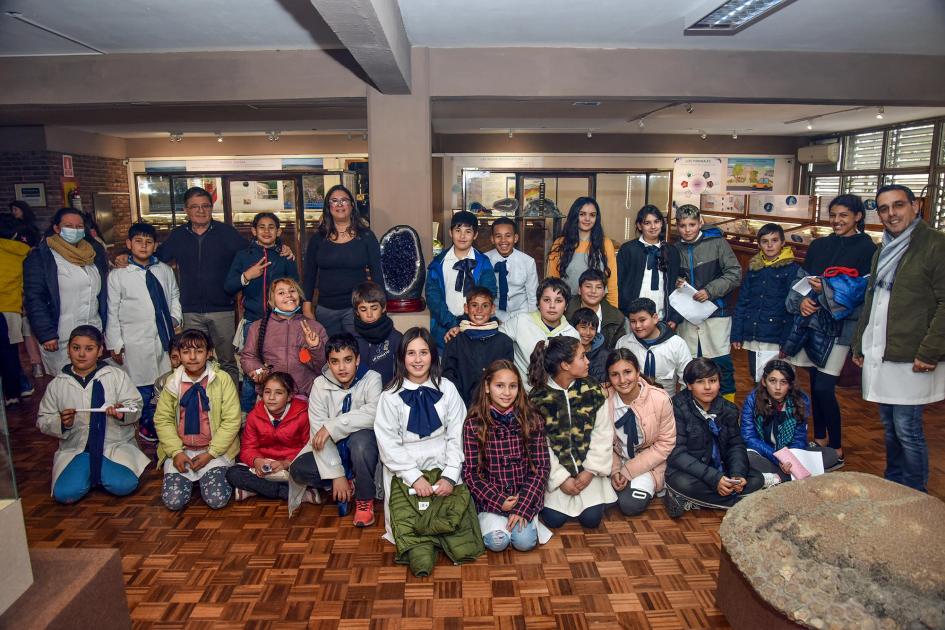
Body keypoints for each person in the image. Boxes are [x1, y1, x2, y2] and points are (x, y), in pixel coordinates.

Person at [853, 184, 945, 493]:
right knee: (890, 428)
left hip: (912, 354)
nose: (891, 213)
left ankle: (915, 494)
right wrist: (859, 343)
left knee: (908, 430)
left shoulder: (934, 244)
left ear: (915, 206)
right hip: (881, 350)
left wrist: (930, 351)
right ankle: (893, 486)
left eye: (898, 205)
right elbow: (872, 298)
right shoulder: (884, 248)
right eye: (884, 208)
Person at [374, 328, 481, 576]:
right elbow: (388, 443)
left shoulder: (448, 389)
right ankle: (419, 545)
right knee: (412, 530)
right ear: (402, 358)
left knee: (454, 525)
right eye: (411, 353)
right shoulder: (389, 397)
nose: (418, 359)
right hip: (404, 467)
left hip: (444, 461)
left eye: (423, 352)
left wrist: (451, 474)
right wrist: (414, 476)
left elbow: (458, 434)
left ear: (433, 355)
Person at [788, 195, 876, 465]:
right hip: (812, 323)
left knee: (826, 386)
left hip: (840, 328)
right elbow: (802, 280)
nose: (837, 221)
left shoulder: (867, 248)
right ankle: (821, 438)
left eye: (844, 216)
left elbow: (860, 293)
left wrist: (825, 289)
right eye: (834, 215)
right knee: (814, 383)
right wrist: (801, 301)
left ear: (858, 217)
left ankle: (837, 447)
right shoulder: (819, 245)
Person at [143, 187, 253, 385]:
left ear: (211, 208)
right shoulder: (178, 236)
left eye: (205, 206)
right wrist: (127, 257)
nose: (200, 211)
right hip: (190, 310)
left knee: (227, 361)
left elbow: (252, 252)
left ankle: (230, 406)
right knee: (194, 361)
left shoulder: (226, 233)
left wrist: (280, 247)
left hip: (222, 309)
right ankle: (199, 402)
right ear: (186, 210)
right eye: (195, 207)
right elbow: (155, 257)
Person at [36, 325, 147, 504]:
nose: (81, 354)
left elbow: (136, 407)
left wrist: (121, 413)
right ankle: (89, 472)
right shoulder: (58, 384)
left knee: (124, 485)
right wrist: (62, 423)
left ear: (99, 351)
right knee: (65, 494)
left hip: (112, 446)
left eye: (89, 349)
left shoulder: (116, 376)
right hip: (77, 450)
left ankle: (98, 473)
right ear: (68, 350)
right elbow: (43, 419)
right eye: (76, 348)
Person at [527, 336, 616, 529]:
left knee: (591, 520)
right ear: (565, 365)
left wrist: (590, 471)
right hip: (556, 474)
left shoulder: (592, 389)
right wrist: (560, 478)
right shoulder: (538, 398)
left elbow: (603, 433)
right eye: (582, 357)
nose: (588, 361)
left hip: (588, 472)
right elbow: (539, 445)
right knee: (554, 520)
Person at [463, 360, 550, 552]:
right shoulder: (473, 424)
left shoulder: (532, 420)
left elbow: (541, 468)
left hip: (523, 496)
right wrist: (498, 500)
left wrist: (522, 505)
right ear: (487, 387)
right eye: (499, 386)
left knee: (524, 542)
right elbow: (471, 474)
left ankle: (524, 519)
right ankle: (492, 523)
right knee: (497, 543)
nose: (507, 393)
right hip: (491, 500)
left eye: (513, 386)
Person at [105, 222, 181, 442]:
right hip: (134, 338)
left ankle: (165, 423)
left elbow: (174, 295)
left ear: (155, 246)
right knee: (142, 386)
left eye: (149, 242)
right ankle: (147, 425)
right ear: (129, 244)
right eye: (138, 241)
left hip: (163, 335)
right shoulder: (118, 275)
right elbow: (112, 309)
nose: (143, 246)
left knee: (165, 381)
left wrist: (175, 318)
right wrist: (115, 342)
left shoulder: (164, 270)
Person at [663, 358, 763, 518]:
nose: (708, 387)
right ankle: (739, 503)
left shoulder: (728, 409)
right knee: (681, 483)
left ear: (719, 383)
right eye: (700, 382)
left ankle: (695, 501)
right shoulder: (677, 408)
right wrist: (714, 479)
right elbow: (677, 454)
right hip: (692, 470)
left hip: (719, 467)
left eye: (713, 381)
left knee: (757, 479)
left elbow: (735, 445)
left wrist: (738, 474)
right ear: (689, 385)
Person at [301, 333, 383, 526]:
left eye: (348, 360)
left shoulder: (372, 378)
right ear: (328, 363)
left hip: (362, 447)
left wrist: (332, 426)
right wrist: (337, 475)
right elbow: (317, 431)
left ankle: (364, 499)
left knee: (361, 443)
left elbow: (374, 413)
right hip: (334, 449)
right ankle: (345, 482)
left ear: (357, 359)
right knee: (300, 468)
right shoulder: (320, 385)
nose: (342, 367)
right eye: (335, 362)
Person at [154, 329, 241, 511]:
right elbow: (163, 420)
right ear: (179, 354)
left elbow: (231, 420)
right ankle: (189, 477)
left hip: (214, 451)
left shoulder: (222, 380)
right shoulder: (172, 383)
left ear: (209, 353)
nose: (192, 357)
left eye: (199, 351)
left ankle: (207, 476)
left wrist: (211, 453)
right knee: (173, 502)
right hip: (181, 450)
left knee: (216, 500)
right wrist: (176, 452)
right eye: (186, 352)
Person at [224, 212, 299, 411]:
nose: (266, 231)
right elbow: (229, 286)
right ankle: (249, 416)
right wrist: (247, 275)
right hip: (253, 322)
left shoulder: (285, 256)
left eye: (271, 227)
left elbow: (296, 288)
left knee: (279, 367)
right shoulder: (243, 256)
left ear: (279, 231)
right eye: (262, 227)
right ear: (254, 231)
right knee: (253, 372)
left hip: (280, 323)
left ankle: (282, 412)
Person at [24, 207, 109, 377]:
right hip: (60, 336)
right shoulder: (42, 257)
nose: (75, 230)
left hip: (92, 331)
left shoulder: (92, 253)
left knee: (92, 384)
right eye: (69, 226)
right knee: (65, 386)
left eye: (79, 226)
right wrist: (46, 334)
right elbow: (34, 299)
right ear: (56, 228)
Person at [674, 204, 741, 402]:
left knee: (722, 367)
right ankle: (692, 413)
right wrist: (676, 281)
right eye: (683, 225)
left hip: (716, 315)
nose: (687, 230)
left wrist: (710, 291)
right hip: (688, 318)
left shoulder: (718, 243)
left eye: (692, 224)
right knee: (690, 367)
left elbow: (735, 273)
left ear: (700, 222)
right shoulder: (675, 249)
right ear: (677, 226)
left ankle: (727, 415)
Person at [741, 359, 839, 485]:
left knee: (831, 454)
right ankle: (787, 476)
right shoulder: (752, 400)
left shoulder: (800, 401)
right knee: (747, 458)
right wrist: (778, 459)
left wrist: (789, 460)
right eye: (772, 381)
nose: (778, 387)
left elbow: (799, 439)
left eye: (783, 382)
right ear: (764, 382)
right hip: (764, 452)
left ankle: (776, 478)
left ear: (790, 384)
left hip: (789, 454)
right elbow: (748, 438)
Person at [302, 184, 383, 337]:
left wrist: (380, 306)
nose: (339, 205)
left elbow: (377, 273)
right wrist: (307, 308)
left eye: (344, 200)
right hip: (325, 310)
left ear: (352, 205)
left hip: (357, 309)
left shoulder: (366, 237)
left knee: (357, 353)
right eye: (334, 201)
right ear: (328, 207)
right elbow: (309, 276)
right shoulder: (317, 239)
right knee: (330, 355)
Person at [604, 349, 676, 516]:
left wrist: (628, 471)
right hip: (615, 458)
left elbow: (666, 443)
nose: (622, 380)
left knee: (630, 505)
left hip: (648, 463)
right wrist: (615, 470)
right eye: (615, 374)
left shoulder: (660, 399)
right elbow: (604, 442)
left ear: (637, 372)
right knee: (601, 505)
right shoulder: (605, 399)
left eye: (627, 372)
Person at [226, 372, 309, 502]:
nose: (271, 397)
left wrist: (286, 463)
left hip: (291, 466)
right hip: (264, 468)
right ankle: (288, 493)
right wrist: (256, 461)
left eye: (278, 393)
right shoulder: (254, 416)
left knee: (313, 472)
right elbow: (247, 448)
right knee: (233, 473)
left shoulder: (302, 415)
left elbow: (308, 447)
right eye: (267, 392)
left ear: (289, 396)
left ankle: (256, 489)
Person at [240, 278, 328, 400]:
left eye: (292, 291)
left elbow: (324, 368)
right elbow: (248, 356)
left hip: (308, 396)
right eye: (281, 293)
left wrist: (315, 347)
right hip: (272, 396)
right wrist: (258, 370)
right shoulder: (257, 327)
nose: (288, 295)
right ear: (272, 301)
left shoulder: (315, 327)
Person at [732, 223, 800, 379]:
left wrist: (787, 341)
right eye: (765, 241)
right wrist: (737, 334)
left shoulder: (792, 270)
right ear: (759, 244)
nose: (770, 245)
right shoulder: (754, 268)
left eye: (774, 240)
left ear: (783, 242)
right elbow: (742, 301)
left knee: (778, 380)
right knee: (757, 377)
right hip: (753, 334)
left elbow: (793, 309)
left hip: (776, 336)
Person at [426, 210, 497, 351]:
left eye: (468, 231)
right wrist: (452, 324)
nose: (462, 236)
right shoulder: (438, 264)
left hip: (476, 327)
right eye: (458, 230)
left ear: (475, 235)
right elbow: (433, 297)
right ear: (450, 232)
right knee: (446, 369)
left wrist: (467, 324)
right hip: (444, 329)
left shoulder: (483, 263)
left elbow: (489, 293)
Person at [500, 277, 581, 390]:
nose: (552, 306)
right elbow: (495, 344)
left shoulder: (572, 335)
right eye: (546, 300)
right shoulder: (521, 321)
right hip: (522, 396)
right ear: (538, 303)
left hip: (556, 398)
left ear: (566, 305)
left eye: (558, 301)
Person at [441, 286, 514, 406]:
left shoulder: (504, 342)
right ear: (466, 308)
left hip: (495, 407)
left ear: (492, 309)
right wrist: (460, 405)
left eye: (485, 306)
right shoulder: (455, 340)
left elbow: (506, 379)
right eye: (474, 305)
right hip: (461, 406)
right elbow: (448, 378)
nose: (479, 310)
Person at [547, 197, 619, 307]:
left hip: (598, 309)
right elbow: (552, 283)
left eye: (592, 215)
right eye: (582, 214)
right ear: (575, 216)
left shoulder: (605, 244)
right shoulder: (560, 244)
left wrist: (613, 314)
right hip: (567, 308)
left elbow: (612, 284)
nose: (587, 219)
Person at [616, 205, 682, 325]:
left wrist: (674, 317)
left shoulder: (671, 251)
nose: (653, 227)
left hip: (663, 317)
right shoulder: (628, 249)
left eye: (656, 222)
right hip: (631, 317)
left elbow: (675, 287)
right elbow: (618, 282)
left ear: (662, 223)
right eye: (647, 223)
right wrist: (623, 309)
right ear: (639, 226)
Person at [616, 298, 691, 397]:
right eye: (633, 321)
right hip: (631, 404)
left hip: (668, 403)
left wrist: (678, 406)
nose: (637, 326)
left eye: (642, 320)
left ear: (655, 318)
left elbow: (687, 381)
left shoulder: (677, 344)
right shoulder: (623, 343)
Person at [0, 215, 31, 405]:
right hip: (11, 308)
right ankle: (13, 393)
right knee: (10, 353)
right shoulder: (21, 253)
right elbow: (23, 283)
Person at [484, 217, 538, 322]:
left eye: (508, 236)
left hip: (522, 313)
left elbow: (533, 296)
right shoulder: (484, 260)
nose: (503, 240)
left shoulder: (528, 261)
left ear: (515, 238)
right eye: (498, 236)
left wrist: (532, 320)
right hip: (493, 314)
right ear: (492, 239)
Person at [351, 281, 402, 384]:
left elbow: (403, 375)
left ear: (383, 308)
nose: (369, 314)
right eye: (363, 309)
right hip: (360, 396)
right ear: (356, 312)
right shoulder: (351, 340)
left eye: (374, 308)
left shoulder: (396, 338)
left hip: (388, 395)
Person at [565, 269, 626, 349]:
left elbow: (617, 351)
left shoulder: (616, 318)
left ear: (604, 292)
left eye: (598, 287)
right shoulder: (565, 311)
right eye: (588, 286)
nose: (593, 291)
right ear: (579, 290)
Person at [571, 307, 609, 384]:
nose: (588, 333)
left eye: (592, 328)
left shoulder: (605, 355)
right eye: (583, 327)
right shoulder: (568, 354)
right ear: (574, 328)